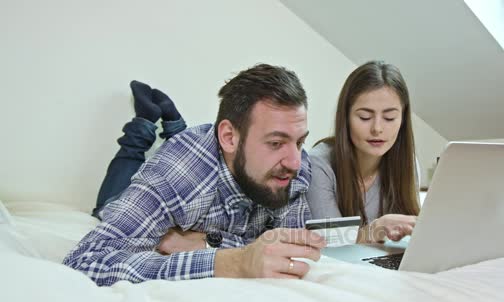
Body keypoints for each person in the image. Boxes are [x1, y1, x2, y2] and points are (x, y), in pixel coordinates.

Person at [63, 64, 326, 286]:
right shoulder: (177, 174)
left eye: (300, 142)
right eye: (276, 143)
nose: (294, 162)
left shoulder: (294, 165)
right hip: (151, 184)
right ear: (229, 137)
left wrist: (205, 243)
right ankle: (144, 123)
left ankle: (174, 124)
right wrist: (232, 261)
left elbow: (283, 248)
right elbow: (85, 261)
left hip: (205, 169)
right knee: (107, 204)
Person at [306, 61, 420, 244]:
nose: (377, 129)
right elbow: (329, 245)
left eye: (390, 118)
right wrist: (376, 229)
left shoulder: (408, 163)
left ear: (403, 120)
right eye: (365, 117)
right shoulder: (317, 164)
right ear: (346, 118)